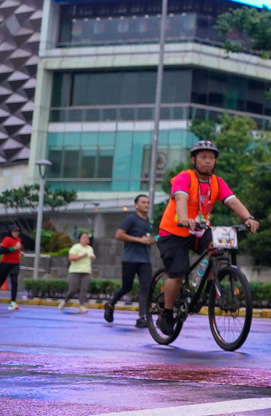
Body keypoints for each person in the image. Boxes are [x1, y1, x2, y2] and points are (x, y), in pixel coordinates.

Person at [157, 140, 259, 336]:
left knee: (218, 246)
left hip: (198, 230)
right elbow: (181, 198)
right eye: (203, 157)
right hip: (173, 231)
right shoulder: (184, 177)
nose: (207, 161)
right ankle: (166, 313)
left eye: (211, 158)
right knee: (177, 273)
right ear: (193, 160)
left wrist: (248, 217)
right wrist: (184, 218)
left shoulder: (217, 182)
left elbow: (232, 201)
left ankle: (212, 284)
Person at [106, 194, 156, 327]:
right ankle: (110, 304)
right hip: (130, 258)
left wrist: (153, 240)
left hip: (145, 260)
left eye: (148, 202)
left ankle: (141, 318)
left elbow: (150, 237)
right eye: (143, 202)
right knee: (126, 287)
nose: (146, 205)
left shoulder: (150, 222)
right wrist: (140, 240)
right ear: (136, 205)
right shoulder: (130, 219)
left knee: (146, 287)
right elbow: (119, 235)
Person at [0, 225, 25, 311]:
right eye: (14, 231)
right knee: (0, 282)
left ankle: (13, 302)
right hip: (5, 264)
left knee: (14, 282)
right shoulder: (7, 239)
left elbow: (17, 250)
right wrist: (13, 248)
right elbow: (1, 251)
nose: (16, 233)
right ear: (11, 232)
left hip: (15, 264)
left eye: (18, 231)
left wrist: (20, 252)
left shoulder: (19, 240)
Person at [62, 232, 95, 311]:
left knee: (84, 288)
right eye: (84, 237)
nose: (85, 239)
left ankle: (81, 305)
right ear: (80, 239)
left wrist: (92, 257)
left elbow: (90, 258)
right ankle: (65, 301)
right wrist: (81, 256)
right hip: (75, 271)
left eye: (87, 237)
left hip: (86, 271)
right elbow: (71, 258)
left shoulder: (90, 248)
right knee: (73, 289)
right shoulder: (75, 247)